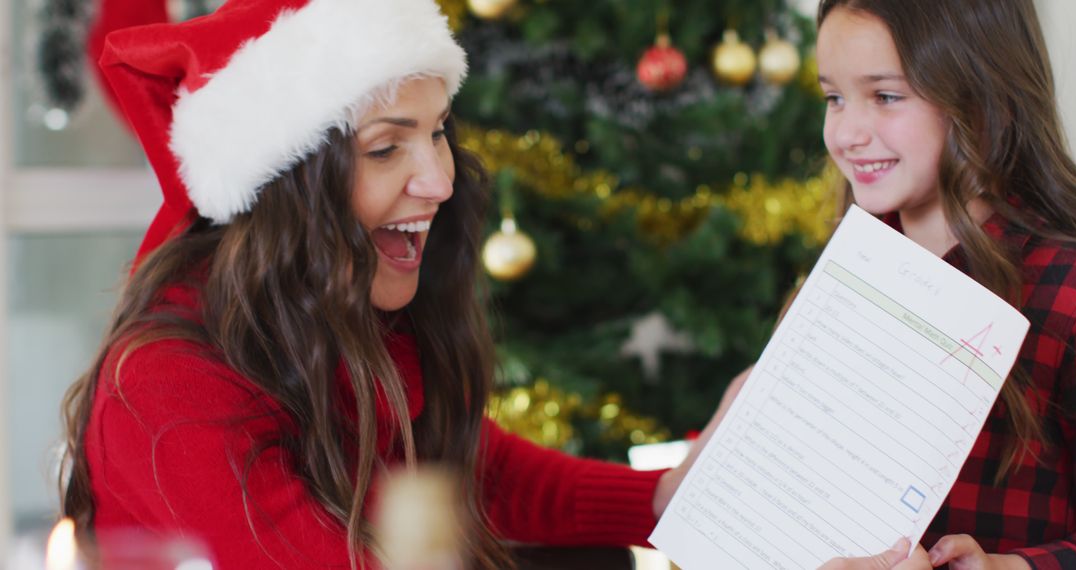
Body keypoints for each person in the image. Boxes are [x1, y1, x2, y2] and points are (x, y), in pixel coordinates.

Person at [57, 0, 735, 568]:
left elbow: (466, 469)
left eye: (438, 133)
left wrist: (665, 500)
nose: (440, 182)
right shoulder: (168, 388)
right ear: (283, 190)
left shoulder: (345, 302)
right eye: (385, 148)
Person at [811, 0, 1076, 568]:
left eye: (885, 96)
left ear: (983, 97)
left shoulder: (1067, 289)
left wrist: (1009, 567)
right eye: (833, 98)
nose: (847, 134)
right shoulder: (846, 271)